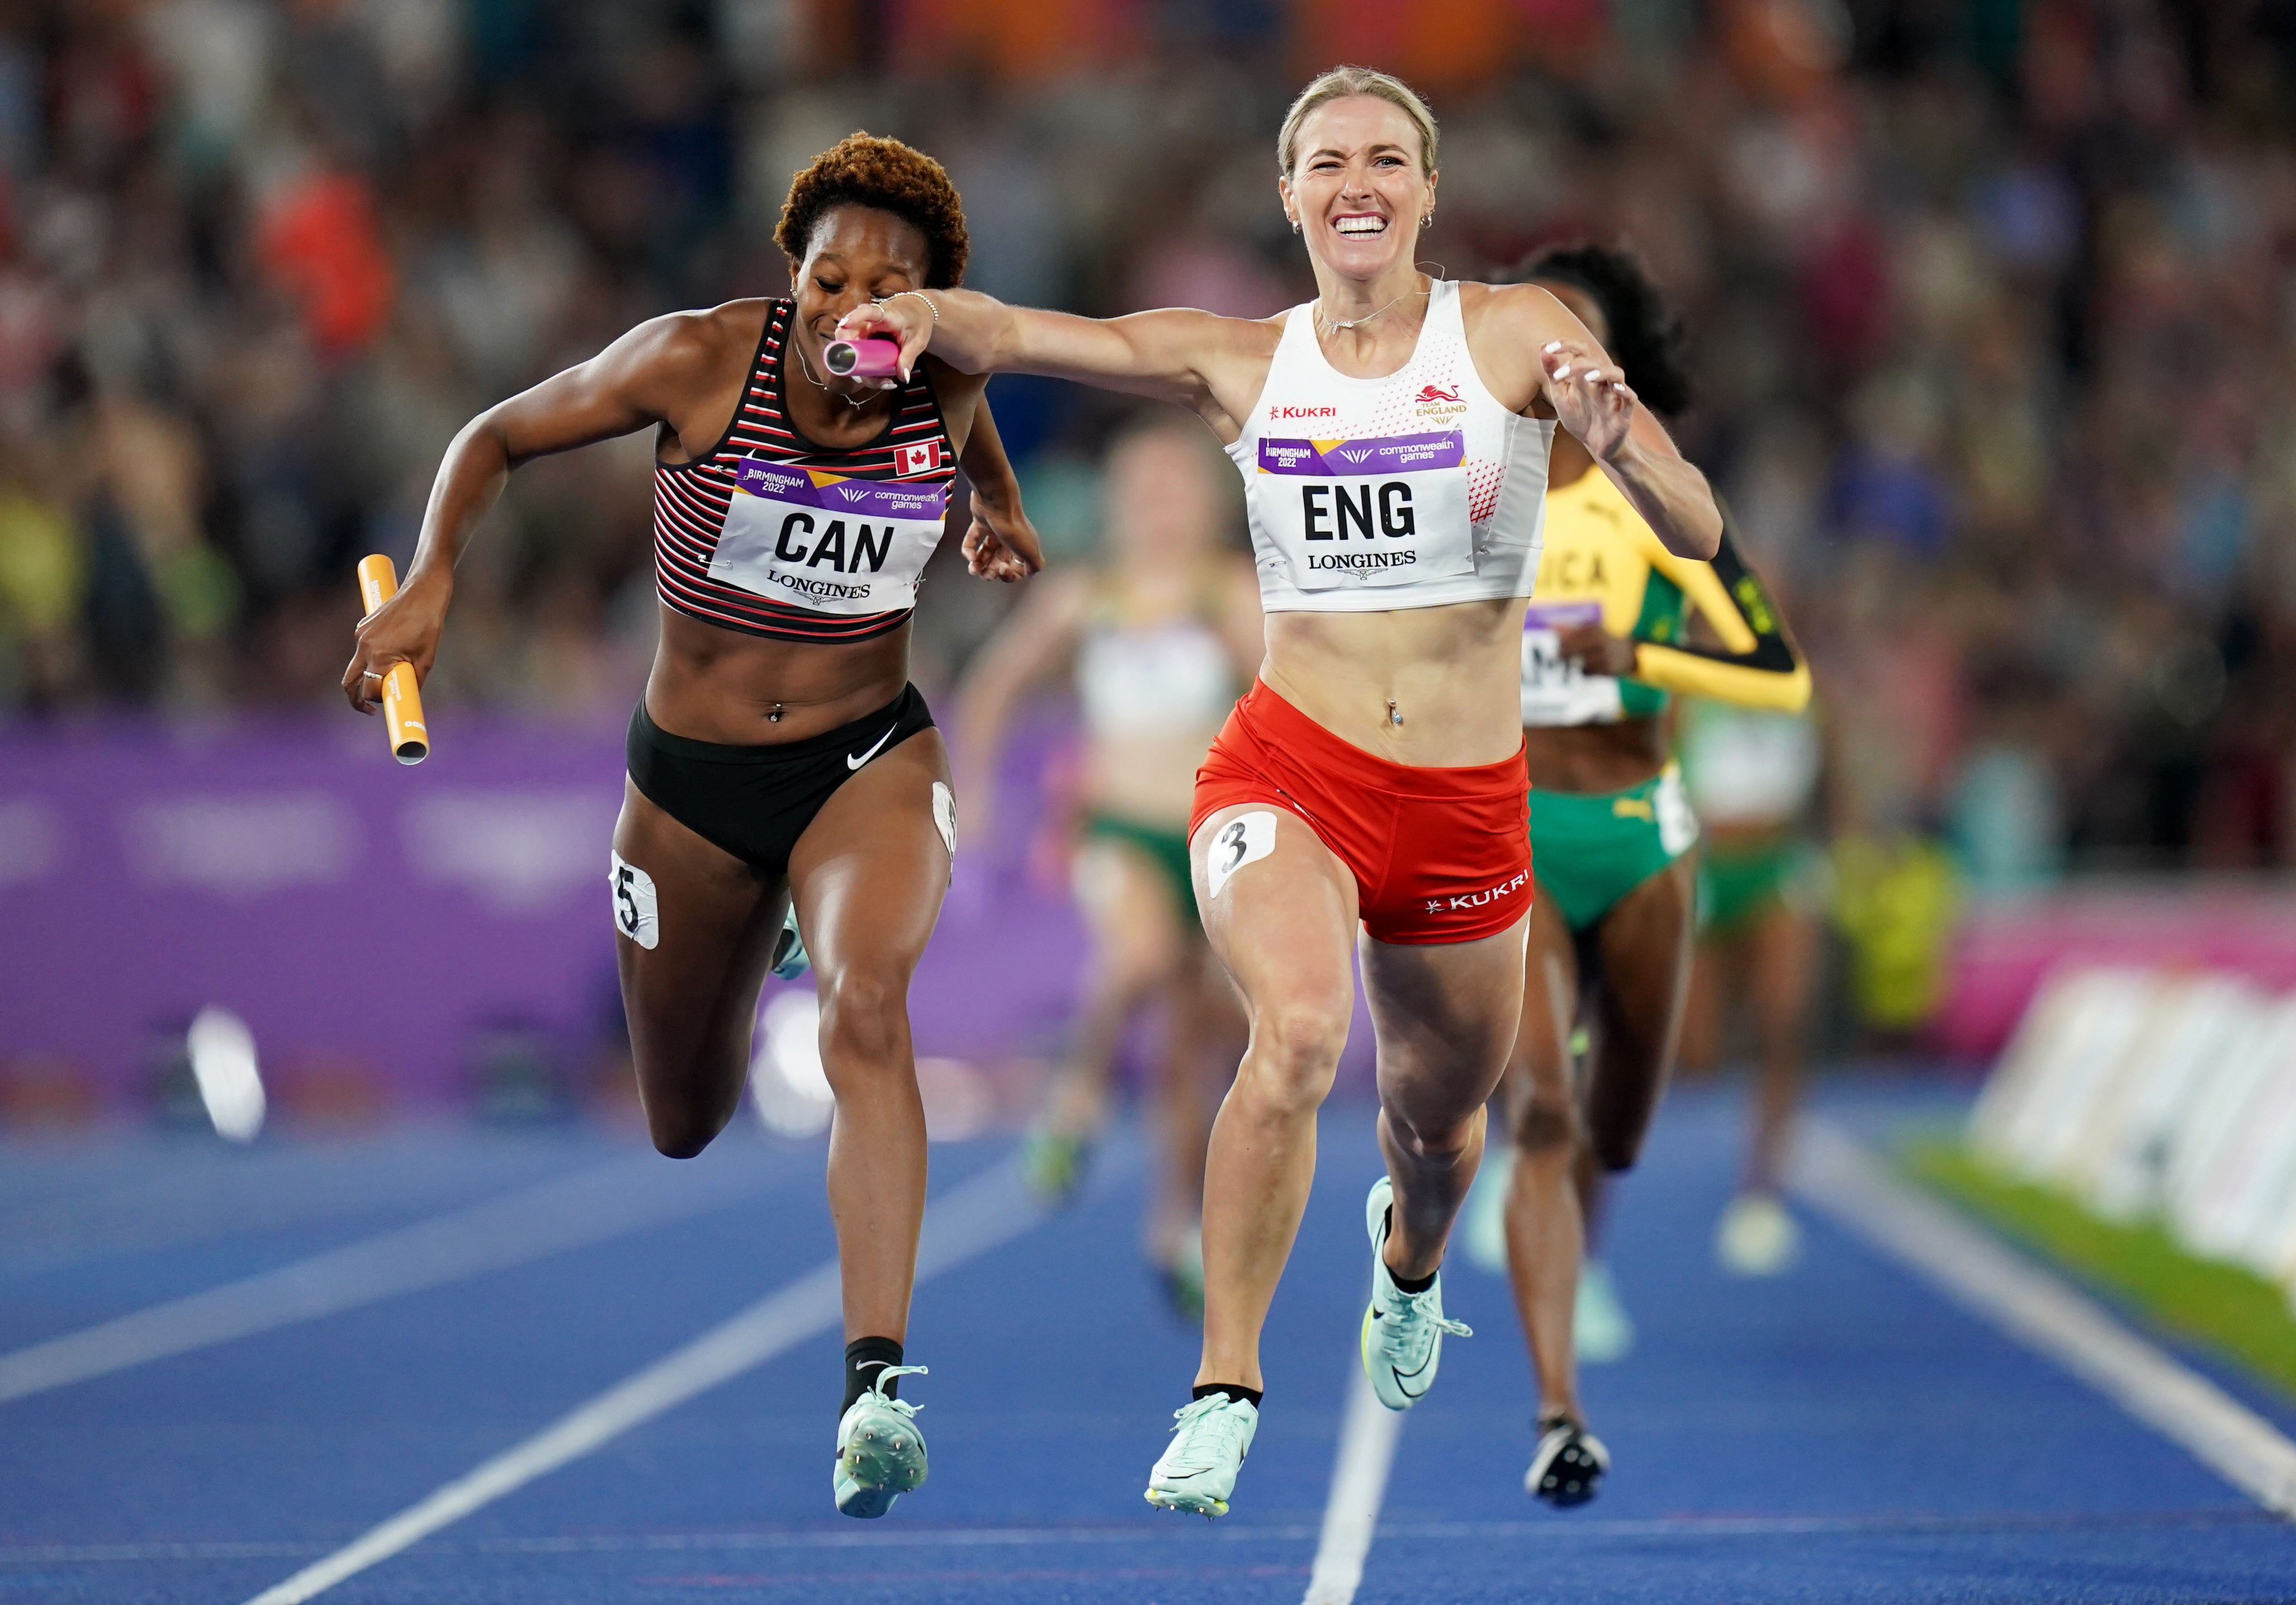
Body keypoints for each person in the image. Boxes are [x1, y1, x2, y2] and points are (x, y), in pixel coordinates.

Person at [834, 65, 1722, 1518]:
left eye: (1387, 156)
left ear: (1428, 187)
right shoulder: (1242, 358)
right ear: (1290, 191)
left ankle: (1411, 1266)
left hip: (1462, 801)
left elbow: (1695, 515)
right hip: (1289, 768)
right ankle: (1224, 1387)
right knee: (1300, 1030)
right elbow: (1045, 334)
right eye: (1327, 160)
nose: (1357, 180)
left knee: (1436, 1133)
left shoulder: (1512, 335)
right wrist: (928, 316)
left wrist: (1622, 444)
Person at [343, 134, 1042, 1521]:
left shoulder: (950, 375)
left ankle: (873, 1388)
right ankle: (763, 911)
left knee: (865, 1014)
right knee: (682, 1119)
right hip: (691, 788)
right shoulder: (697, 362)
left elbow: (972, 429)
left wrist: (999, 511)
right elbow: (497, 436)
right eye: (824, 281)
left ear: (931, 305)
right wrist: (430, 584)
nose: (851, 312)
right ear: (790, 280)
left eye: (884, 291)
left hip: (866, 759)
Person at [1482, 244, 1812, 1509]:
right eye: (1538, 336)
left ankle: (1577, 1243)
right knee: (1537, 1112)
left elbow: (1771, 666)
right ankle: (1555, 1407)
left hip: (1633, 829)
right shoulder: (1470, 482)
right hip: (1507, 823)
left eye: (1585, 341)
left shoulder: (1655, 498)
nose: (1558, 364)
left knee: (1609, 1122)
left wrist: (1633, 655)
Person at [948, 414, 1263, 1317]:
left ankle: (1173, 1225)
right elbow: (992, 684)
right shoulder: (1086, 597)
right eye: (1144, 488)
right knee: (1137, 960)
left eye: (1177, 487)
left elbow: (1287, 695)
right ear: (1116, 505)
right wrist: (974, 790)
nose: (1161, 507)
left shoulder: (1227, 593)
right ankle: (1073, 1098)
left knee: (1192, 1048)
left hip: (1213, 837)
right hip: (1117, 829)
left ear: (1208, 504)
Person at [1675, 694, 1825, 1273]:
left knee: (1784, 1022)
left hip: (1778, 866)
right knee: (1697, 1056)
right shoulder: (1686, 700)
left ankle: (1761, 1189)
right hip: (1708, 867)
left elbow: (1834, 784)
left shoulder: (1803, 696)